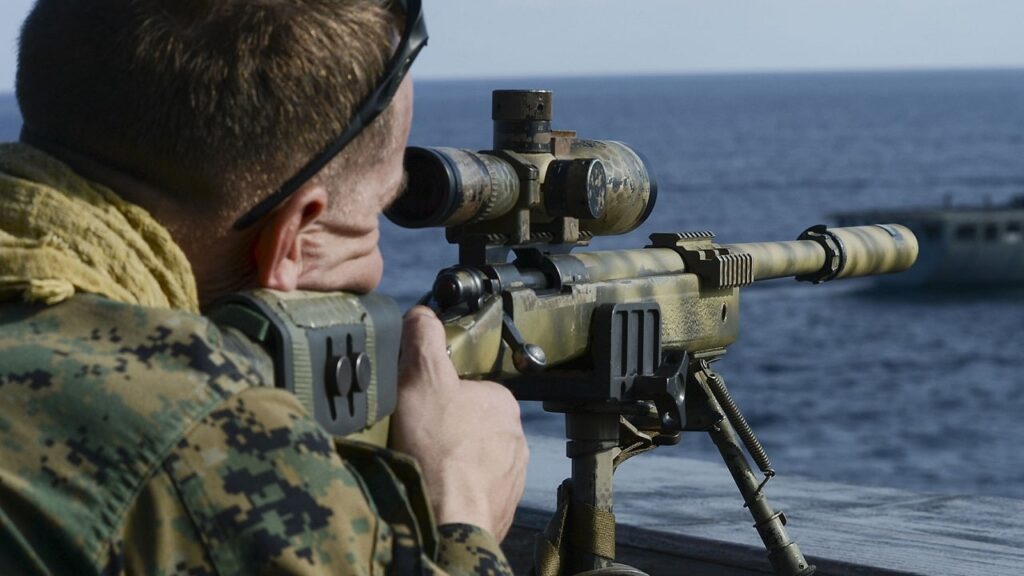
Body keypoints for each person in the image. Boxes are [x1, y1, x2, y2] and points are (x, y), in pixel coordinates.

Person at [0, 0, 529, 574]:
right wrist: (462, 510)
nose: (374, 270)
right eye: (380, 209)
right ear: (293, 236)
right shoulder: (206, 445)